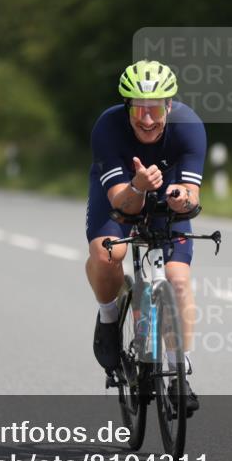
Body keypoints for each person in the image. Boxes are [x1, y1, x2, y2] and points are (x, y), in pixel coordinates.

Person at [86, 59, 205, 414]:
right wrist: (138, 186)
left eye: (155, 108)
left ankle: (178, 372)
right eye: (139, 109)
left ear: (169, 105)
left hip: (165, 196)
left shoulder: (189, 127)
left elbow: (192, 197)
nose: (148, 119)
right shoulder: (108, 128)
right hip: (122, 192)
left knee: (178, 281)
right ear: (128, 107)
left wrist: (182, 200)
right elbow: (122, 206)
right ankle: (109, 319)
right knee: (108, 255)